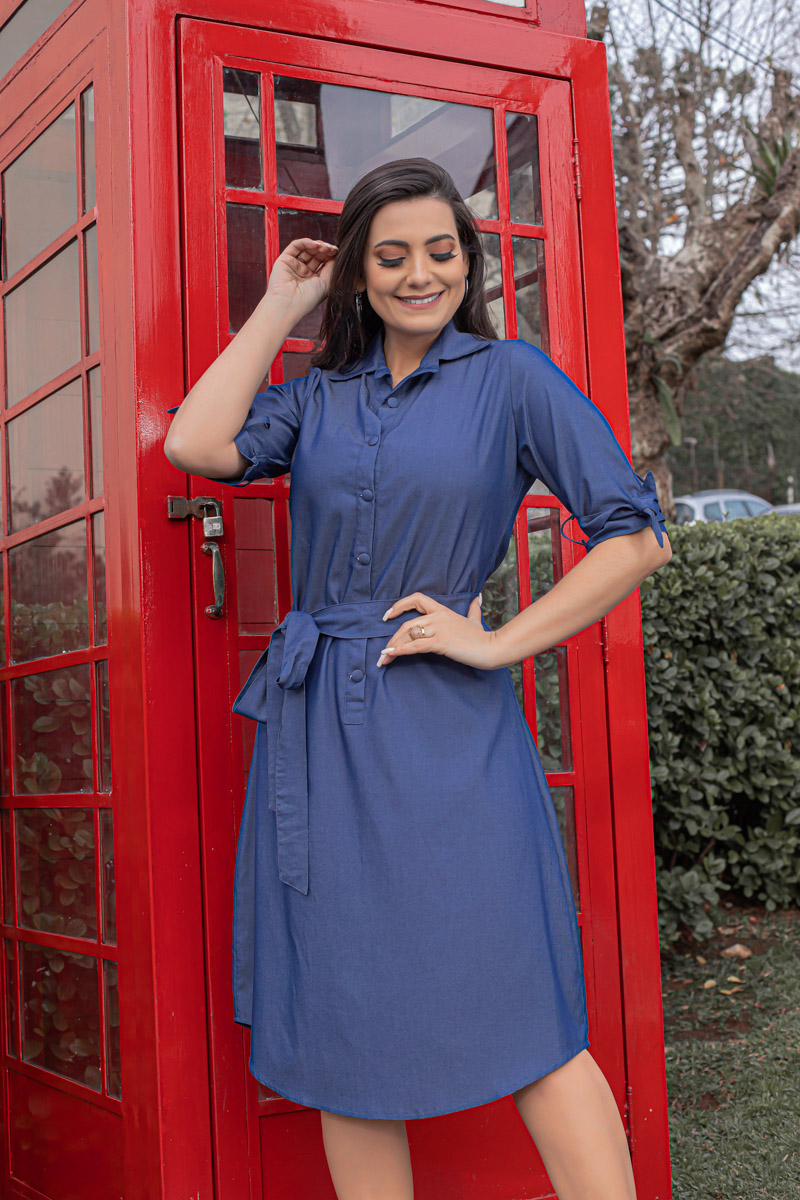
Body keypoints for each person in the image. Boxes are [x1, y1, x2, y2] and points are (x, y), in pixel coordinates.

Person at [164, 156, 672, 1200]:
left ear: (468, 262)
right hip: (319, 733)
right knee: (343, 1031)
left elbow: (635, 538)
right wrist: (283, 303)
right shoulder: (318, 397)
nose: (418, 274)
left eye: (440, 252)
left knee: (525, 1013)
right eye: (390, 256)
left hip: (447, 732)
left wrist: (497, 643)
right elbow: (195, 442)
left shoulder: (511, 378)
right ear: (358, 271)